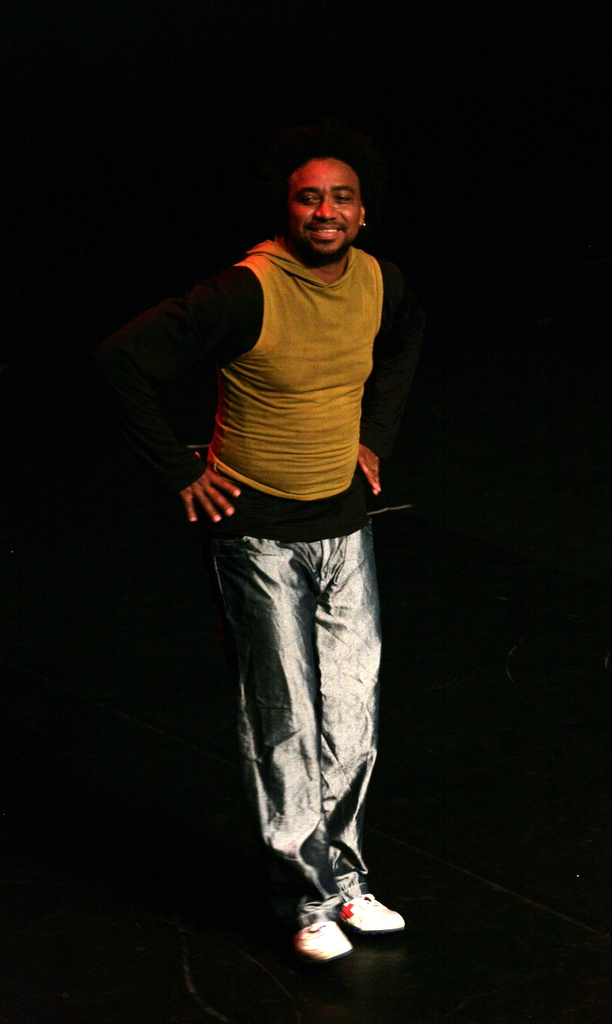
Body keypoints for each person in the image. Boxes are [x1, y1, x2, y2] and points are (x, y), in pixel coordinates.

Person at [96, 123, 424, 962]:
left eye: (341, 198)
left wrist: (373, 437)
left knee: (351, 713)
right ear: (287, 210)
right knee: (284, 721)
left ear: (363, 212)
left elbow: (402, 345)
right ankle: (304, 899)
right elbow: (121, 360)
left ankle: (345, 883)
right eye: (309, 198)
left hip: (344, 526)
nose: (326, 211)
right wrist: (180, 471)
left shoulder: (379, 281)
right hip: (259, 538)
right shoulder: (244, 291)